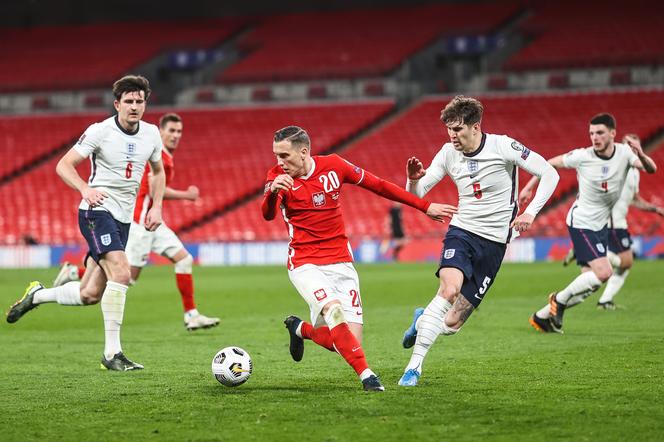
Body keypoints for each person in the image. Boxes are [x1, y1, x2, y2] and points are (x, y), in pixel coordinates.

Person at [261, 125, 457, 392]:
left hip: (341, 261)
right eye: (276, 156)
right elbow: (268, 214)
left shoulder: (334, 166)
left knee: (342, 342)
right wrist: (272, 192)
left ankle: (300, 329)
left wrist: (424, 206)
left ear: (304, 151)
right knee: (333, 310)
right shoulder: (277, 178)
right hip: (305, 262)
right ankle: (368, 376)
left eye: (284, 155)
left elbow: (378, 185)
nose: (279, 162)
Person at [397, 95, 559, 387]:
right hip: (462, 232)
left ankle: (421, 320)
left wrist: (532, 212)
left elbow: (549, 172)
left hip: (495, 243)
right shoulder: (447, 152)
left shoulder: (504, 146)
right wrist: (411, 181)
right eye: (449, 129)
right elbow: (418, 194)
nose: (453, 136)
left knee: (451, 323)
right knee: (448, 290)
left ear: (476, 126)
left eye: (458, 129)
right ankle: (414, 368)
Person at [6, 75, 165, 371]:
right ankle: (112, 354)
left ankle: (37, 295)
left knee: (89, 294)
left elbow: (158, 171)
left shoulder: (152, 134)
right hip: (96, 212)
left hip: (123, 219)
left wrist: (156, 206)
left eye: (139, 101)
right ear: (117, 104)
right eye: (128, 101)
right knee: (121, 272)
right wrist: (85, 189)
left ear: (145, 104)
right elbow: (63, 165)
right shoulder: (100, 131)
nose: (134, 107)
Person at [53, 113, 220, 331]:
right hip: (140, 223)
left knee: (184, 259)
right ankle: (76, 273)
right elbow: (152, 187)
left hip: (152, 221)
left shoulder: (163, 156)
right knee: (126, 277)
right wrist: (186, 196)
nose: (175, 136)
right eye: (171, 131)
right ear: (161, 132)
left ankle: (192, 315)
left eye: (179, 131)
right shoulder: (159, 155)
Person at [523, 115, 657, 333]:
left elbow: (650, 169)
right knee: (604, 273)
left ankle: (542, 316)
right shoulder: (582, 156)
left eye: (600, 133)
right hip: (582, 222)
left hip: (600, 225)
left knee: (591, 283)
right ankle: (559, 300)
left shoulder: (624, 154)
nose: (595, 137)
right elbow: (548, 164)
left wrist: (640, 152)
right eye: (592, 133)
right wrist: (529, 187)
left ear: (613, 133)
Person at [558, 134, 664, 308]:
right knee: (624, 262)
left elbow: (634, 198)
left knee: (620, 265)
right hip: (611, 223)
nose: (630, 148)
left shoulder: (634, 172)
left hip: (620, 221)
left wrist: (655, 209)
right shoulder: (615, 167)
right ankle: (602, 298)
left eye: (633, 145)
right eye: (627, 144)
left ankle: (603, 298)